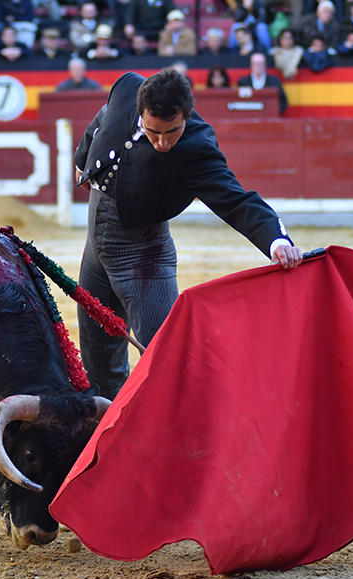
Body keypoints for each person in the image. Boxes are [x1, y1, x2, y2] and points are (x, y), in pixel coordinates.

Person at [73, 67, 302, 398]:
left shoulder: (196, 147)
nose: (163, 143)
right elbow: (103, 119)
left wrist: (276, 240)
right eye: (154, 132)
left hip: (144, 254)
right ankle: (107, 427)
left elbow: (236, 200)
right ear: (140, 110)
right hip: (96, 244)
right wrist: (83, 161)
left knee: (168, 358)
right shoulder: (126, 89)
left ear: (186, 114)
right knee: (97, 357)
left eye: (173, 132)